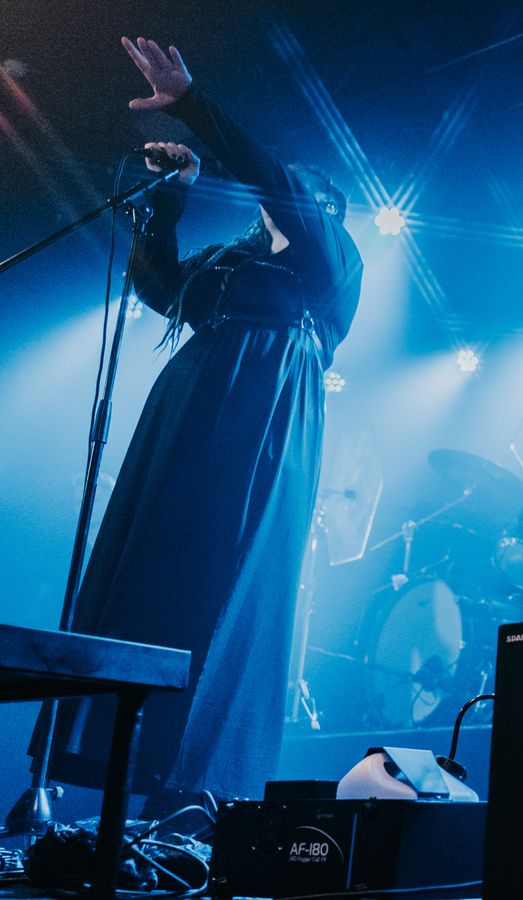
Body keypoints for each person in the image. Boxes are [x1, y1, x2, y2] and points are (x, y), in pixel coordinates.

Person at [30, 37, 363, 800]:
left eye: (296, 196)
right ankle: (111, 760)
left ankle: (199, 784)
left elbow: (273, 176)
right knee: (150, 563)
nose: (277, 201)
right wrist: (169, 205)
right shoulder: (232, 260)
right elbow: (160, 290)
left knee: (225, 574)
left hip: (264, 405)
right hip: (191, 401)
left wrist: (191, 107)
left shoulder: (330, 261)